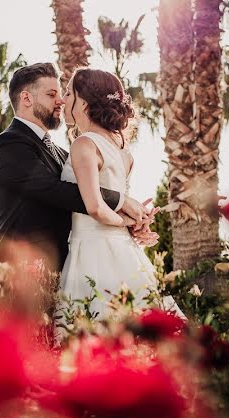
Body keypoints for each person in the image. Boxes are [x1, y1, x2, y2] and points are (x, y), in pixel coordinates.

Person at [0, 62, 155, 272]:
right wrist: (123, 204)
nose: (60, 101)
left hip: (70, 268)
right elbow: (58, 191)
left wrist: (131, 224)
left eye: (62, 93)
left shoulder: (64, 153)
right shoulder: (8, 145)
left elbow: (84, 201)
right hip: (23, 275)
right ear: (27, 98)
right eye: (51, 94)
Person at [57, 67, 181, 326]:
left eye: (68, 93)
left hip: (91, 252)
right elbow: (118, 204)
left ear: (84, 102)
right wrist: (135, 221)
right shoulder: (123, 153)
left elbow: (96, 208)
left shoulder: (84, 144)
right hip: (124, 251)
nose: (63, 99)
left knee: (92, 332)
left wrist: (131, 221)